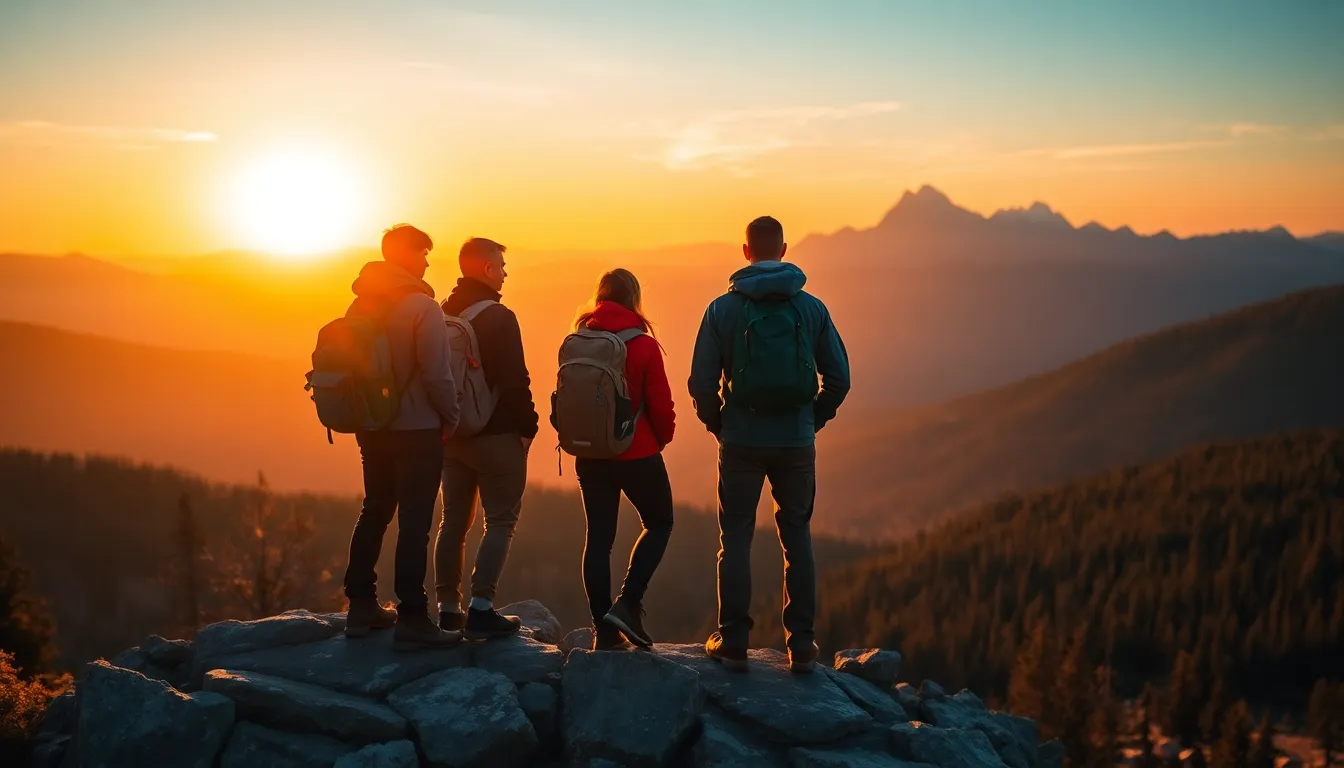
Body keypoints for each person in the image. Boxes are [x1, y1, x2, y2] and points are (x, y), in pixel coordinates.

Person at [688, 215, 850, 673]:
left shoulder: (722, 309)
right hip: (795, 440)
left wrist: (718, 422)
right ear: (783, 250)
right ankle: (801, 645)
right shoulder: (811, 308)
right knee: (796, 537)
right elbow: (840, 378)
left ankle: (734, 638)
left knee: (735, 537)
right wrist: (813, 419)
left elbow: (701, 383)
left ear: (745, 252)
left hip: (740, 437)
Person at [343, 224, 463, 650]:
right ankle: (412, 616)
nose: (428, 260)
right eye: (424, 253)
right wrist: (452, 418)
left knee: (374, 509)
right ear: (406, 255)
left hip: (372, 427)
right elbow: (437, 374)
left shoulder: (361, 304)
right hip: (417, 429)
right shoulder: (421, 307)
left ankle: (360, 604)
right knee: (415, 520)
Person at [434, 237, 539, 640]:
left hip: (453, 434)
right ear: (484, 268)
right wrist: (527, 428)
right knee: (500, 520)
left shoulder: (441, 313)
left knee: (453, 521)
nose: (504, 272)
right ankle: (481, 608)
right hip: (496, 435)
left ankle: (446, 609)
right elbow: (515, 379)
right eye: (499, 265)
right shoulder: (498, 316)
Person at [571, 269, 676, 650]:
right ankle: (629, 602)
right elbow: (662, 407)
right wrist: (661, 439)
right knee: (660, 521)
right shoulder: (644, 345)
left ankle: (604, 631)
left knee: (598, 539)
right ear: (634, 299)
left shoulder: (579, 339)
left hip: (589, 452)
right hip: (638, 452)